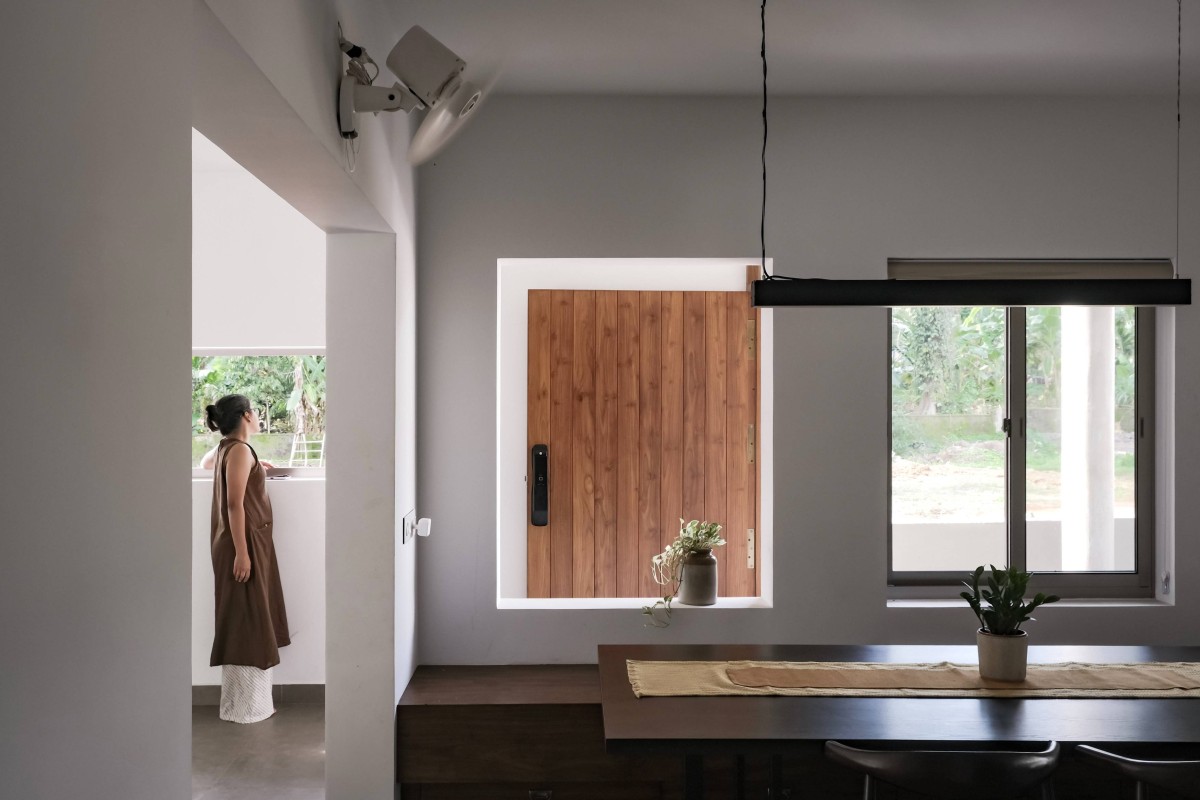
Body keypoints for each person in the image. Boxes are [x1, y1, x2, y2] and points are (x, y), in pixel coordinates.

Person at [204, 394, 290, 723]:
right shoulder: (238, 450)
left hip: (246, 543)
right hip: (244, 545)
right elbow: (234, 505)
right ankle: (246, 709)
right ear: (246, 415)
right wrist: (242, 553)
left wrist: (255, 464)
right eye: (253, 412)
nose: (257, 416)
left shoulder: (231, 448)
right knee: (247, 617)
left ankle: (245, 704)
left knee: (247, 614)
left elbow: (205, 464)